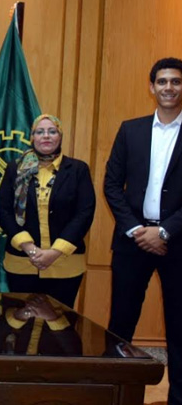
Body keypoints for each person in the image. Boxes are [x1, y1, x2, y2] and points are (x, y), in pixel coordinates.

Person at [104, 57, 182, 405]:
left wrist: (164, 232)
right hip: (132, 241)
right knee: (120, 324)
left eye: (176, 81)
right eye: (162, 81)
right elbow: (111, 184)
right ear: (152, 87)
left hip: (177, 244)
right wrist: (137, 229)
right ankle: (113, 396)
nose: (169, 87)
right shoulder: (130, 130)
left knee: (179, 327)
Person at [0, 114, 95, 308]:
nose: (46, 136)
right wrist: (30, 248)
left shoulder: (78, 169)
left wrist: (55, 251)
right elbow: (3, 210)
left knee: (59, 322)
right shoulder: (15, 169)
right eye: (40, 132)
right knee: (19, 322)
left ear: (60, 136)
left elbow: (84, 213)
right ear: (32, 137)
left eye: (52, 131)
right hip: (22, 263)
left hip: (65, 264)